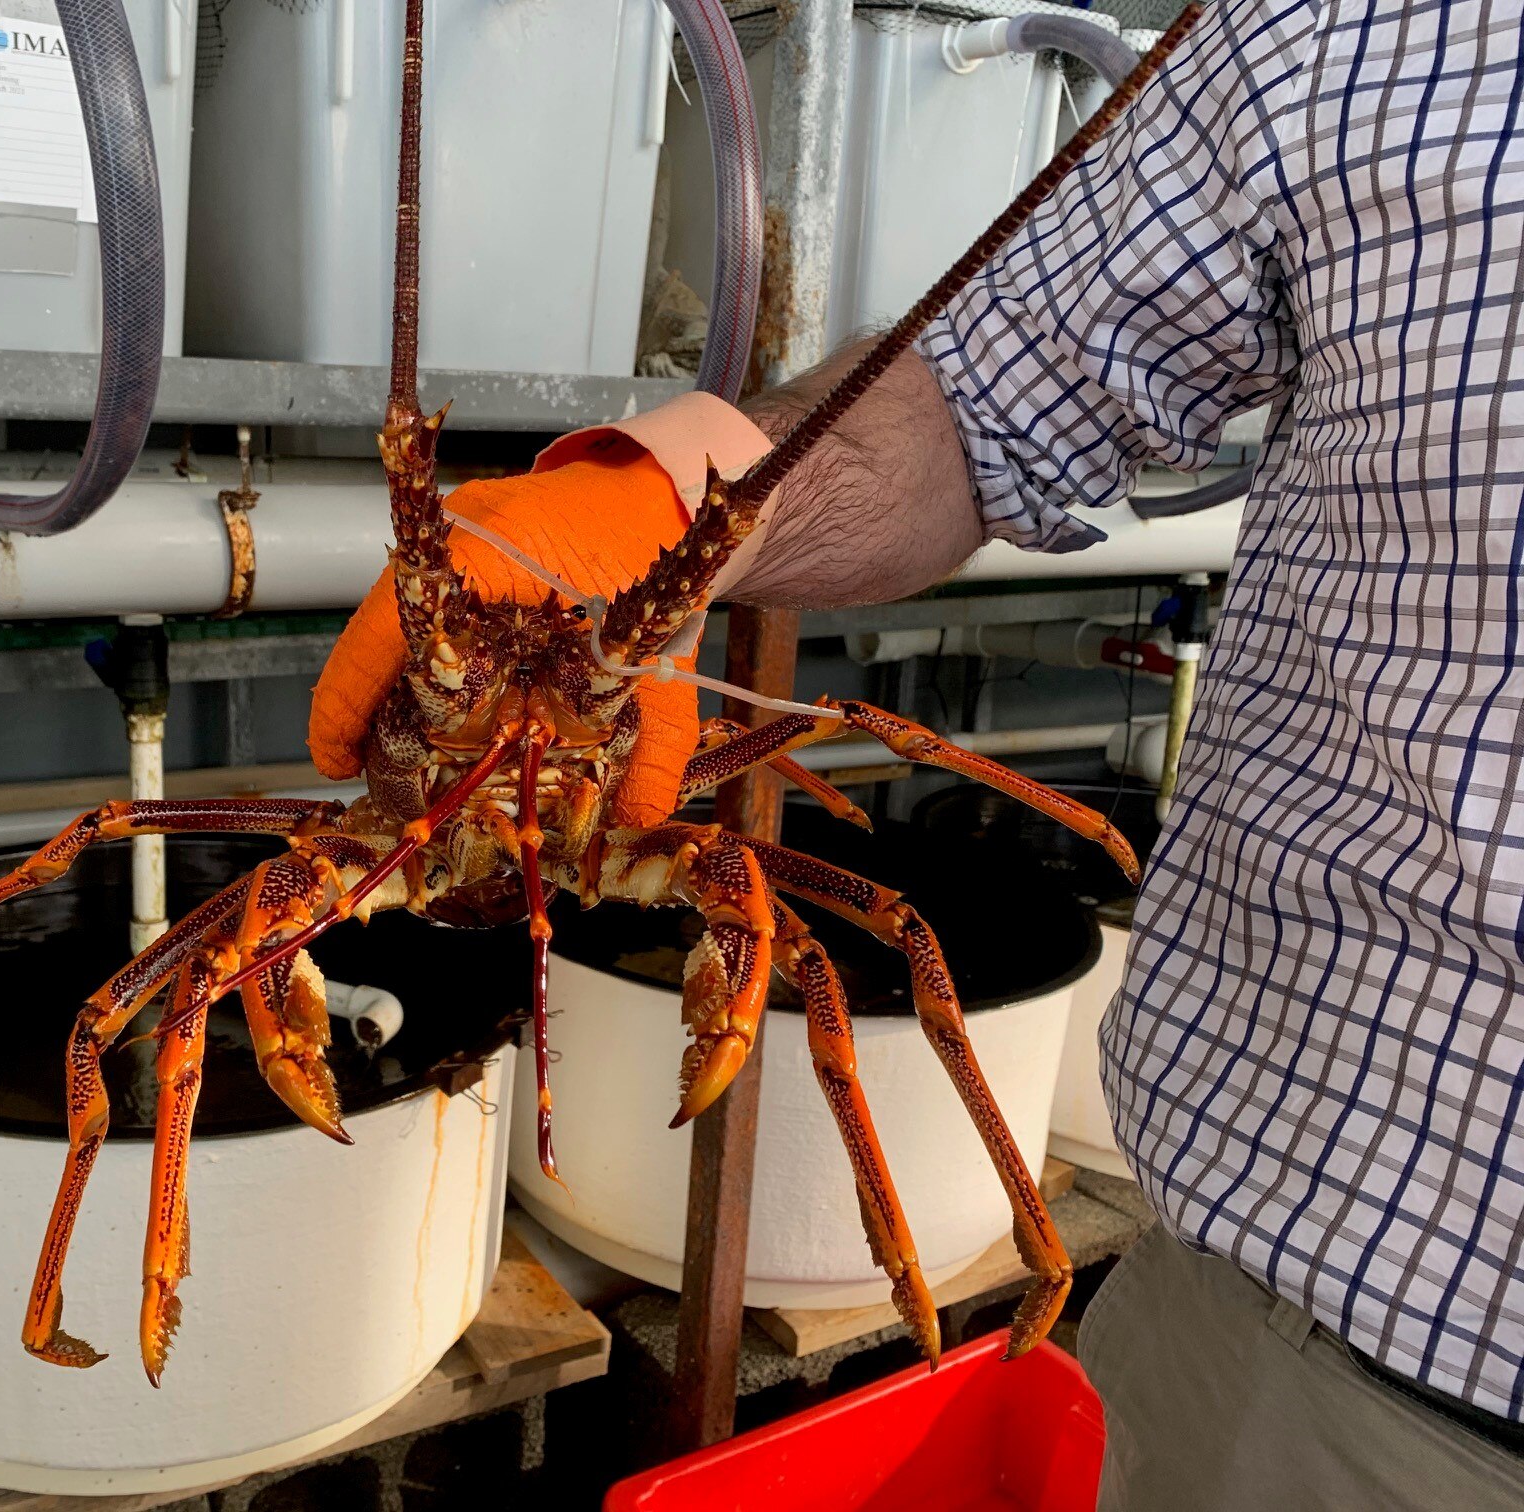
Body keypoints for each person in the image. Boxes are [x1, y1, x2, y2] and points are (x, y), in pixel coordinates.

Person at [310, 0, 1524, 1502]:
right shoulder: (1359, 29)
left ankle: (924, 1249)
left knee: (833, 929)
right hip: (1289, 1340)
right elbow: (978, 399)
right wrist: (657, 491)